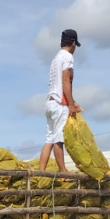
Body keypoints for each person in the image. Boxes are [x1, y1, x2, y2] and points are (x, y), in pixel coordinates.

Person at [39, 29, 83, 172]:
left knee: (49, 139)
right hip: (59, 104)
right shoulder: (68, 57)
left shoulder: (56, 57)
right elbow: (65, 81)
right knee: (59, 139)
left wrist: (73, 101)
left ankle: (41, 171)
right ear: (73, 43)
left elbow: (59, 83)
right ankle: (63, 171)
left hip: (50, 102)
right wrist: (70, 104)